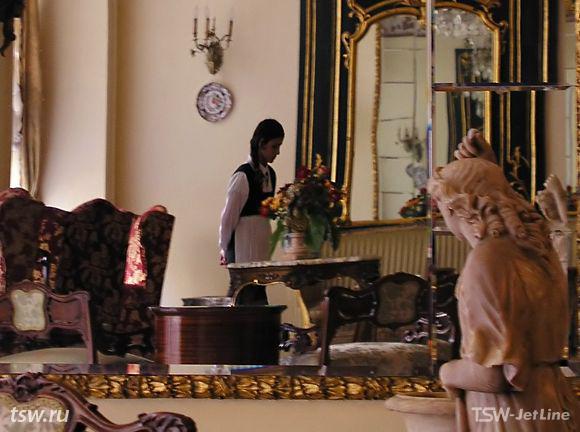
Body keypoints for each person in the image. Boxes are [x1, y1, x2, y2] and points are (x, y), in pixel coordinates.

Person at [428, 138, 578, 430]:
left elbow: (494, 375)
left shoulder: (487, 262)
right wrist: (488, 170)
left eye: (441, 206)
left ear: (457, 206)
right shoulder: (537, 249)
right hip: (549, 403)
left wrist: (447, 371)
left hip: (509, 414)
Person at [219, 119, 284, 266]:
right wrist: (223, 247)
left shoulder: (271, 175)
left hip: (262, 245)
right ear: (262, 144)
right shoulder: (243, 176)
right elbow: (228, 218)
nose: (278, 152)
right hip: (242, 245)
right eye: (274, 146)